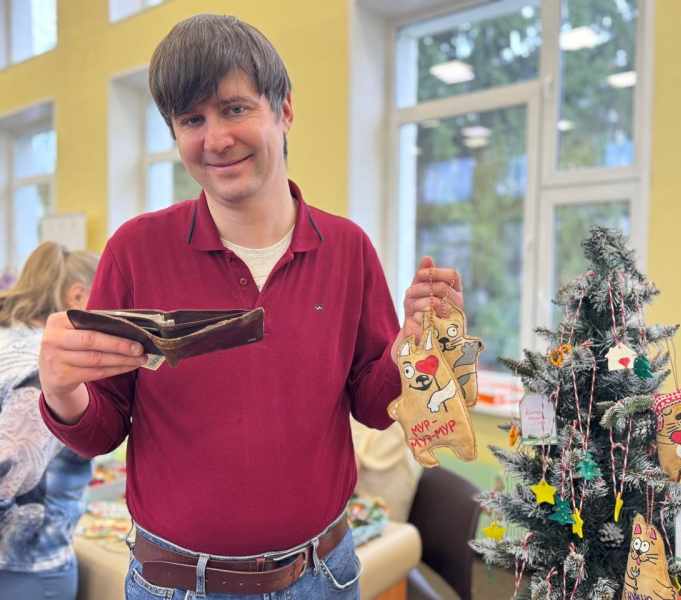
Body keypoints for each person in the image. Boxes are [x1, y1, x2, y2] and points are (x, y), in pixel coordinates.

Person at [38, 14, 464, 600]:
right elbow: (103, 427)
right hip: (177, 584)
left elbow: (373, 406)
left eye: (234, 108)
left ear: (283, 110)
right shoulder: (136, 251)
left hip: (323, 574)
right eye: (192, 120)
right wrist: (62, 391)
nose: (215, 139)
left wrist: (410, 346)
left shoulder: (347, 250)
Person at [0, 241, 98, 600]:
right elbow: (12, 475)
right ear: (78, 296)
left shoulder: (7, 339)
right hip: (27, 565)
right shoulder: (47, 365)